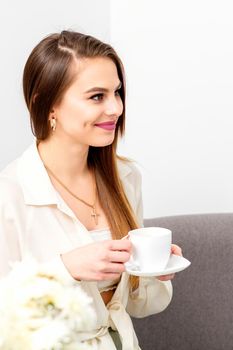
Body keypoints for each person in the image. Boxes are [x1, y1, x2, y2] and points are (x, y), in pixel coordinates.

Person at [0, 30, 182, 349]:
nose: (115, 108)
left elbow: (138, 305)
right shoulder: (9, 193)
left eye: (117, 92)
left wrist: (154, 270)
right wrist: (66, 269)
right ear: (47, 105)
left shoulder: (125, 177)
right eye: (97, 96)